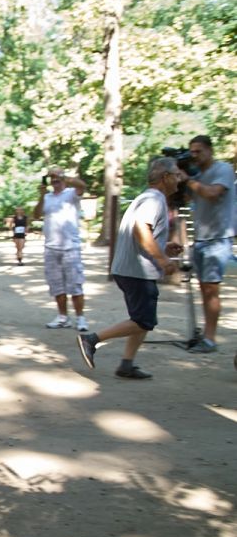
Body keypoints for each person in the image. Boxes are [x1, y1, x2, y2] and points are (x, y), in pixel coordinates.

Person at [77, 158, 184, 379]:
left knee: (140, 319)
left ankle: (127, 364)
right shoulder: (154, 199)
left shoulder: (146, 198)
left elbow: (143, 234)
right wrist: (163, 260)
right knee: (144, 321)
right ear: (165, 177)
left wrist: (163, 246)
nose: (179, 178)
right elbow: (140, 229)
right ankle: (91, 340)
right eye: (176, 174)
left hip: (131, 269)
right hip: (137, 271)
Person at [184, 135, 235, 353]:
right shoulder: (197, 175)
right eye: (192, 152)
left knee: (211, 290)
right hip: (200, 239)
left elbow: (213, 193)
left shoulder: (223, 169)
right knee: (204, 290)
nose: (194, 156)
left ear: (210, 150)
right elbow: (186, 199)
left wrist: (188, 181)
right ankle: (205, 336)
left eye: (198, 151)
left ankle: (210, 339)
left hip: (218, 239)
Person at [33, 167, 90, 331]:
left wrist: (63, 176)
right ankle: (63, 317)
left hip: (70, 247)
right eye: (52, 177)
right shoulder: (47, 197)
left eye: (57, 177)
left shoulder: (71, 194)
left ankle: (80, 318)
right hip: (51, 248)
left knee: (75, 285)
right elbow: (36, 215)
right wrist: (41, 196)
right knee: (56, 285)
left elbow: (82, 185)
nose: (54, 180)